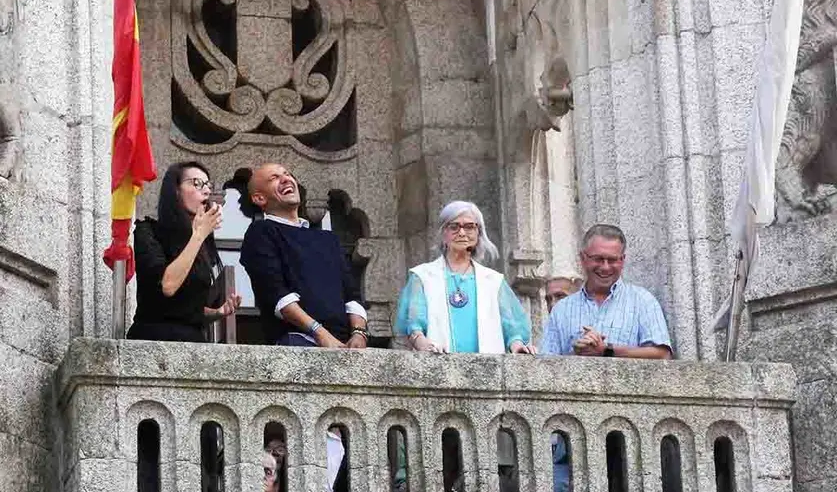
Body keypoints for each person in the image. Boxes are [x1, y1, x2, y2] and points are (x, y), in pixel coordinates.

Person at [239, 163, 367, 347]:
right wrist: (319, 333)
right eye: (274, 178)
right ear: (259, 198)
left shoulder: (327, 238)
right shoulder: (261, 232)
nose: (286, 179)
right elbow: (276, 295)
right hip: (297, 340)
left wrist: (359, 333)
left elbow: (352, 295)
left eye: (287, 174)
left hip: (343, 344)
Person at [395, 200, 535, 354]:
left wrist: (517, 346)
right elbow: (413, 326)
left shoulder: (494, 281)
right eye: (454, 226)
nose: (461, 233)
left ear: (478, 233)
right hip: (437, 366)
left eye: (469, 227)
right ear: (444, 233)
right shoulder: (422, 276)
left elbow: (512, 329)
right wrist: (422, 343)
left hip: (488, 370)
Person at [128, 161, 241, 342]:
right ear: (176, 191)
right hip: (154, 341)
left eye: (208, 186)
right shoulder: (148, 231)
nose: (206, 191)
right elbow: (168, 286)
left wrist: (217, 312)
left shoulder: (200, 243)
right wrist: (199, 235)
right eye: (196, 183)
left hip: (193, 342)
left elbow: (185, 308)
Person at [540, 224, 672, 358]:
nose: (605, 267)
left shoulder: (643, 301)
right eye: (598, 259)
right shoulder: (561, 310)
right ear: (582, 258)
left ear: (622, 260)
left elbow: (662, 355)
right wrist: (578, 354)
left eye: (612, 260)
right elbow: (545, 365)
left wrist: (607, 350)